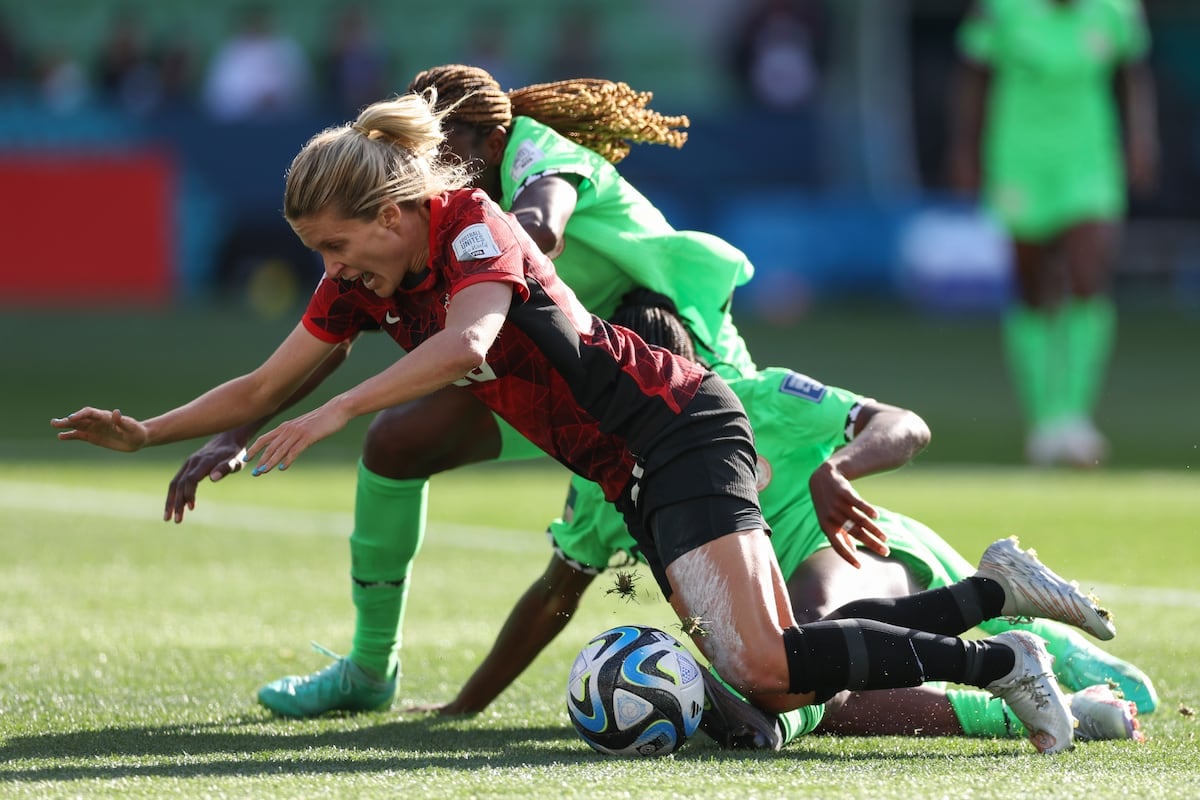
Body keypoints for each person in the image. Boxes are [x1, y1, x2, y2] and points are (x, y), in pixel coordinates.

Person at [54, 91, 1098, 755]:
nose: (332, 274)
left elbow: (468, 345)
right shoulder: (373, 282)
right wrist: (146, 433)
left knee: (766, 670)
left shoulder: (472, 225)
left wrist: (335, 410)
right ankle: (996, 592)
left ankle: (1001, 665)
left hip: (677, 422)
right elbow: (261, 381)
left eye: (336, 248)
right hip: (632, 466)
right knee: (774, 662)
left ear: (389, 215)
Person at [165, 65, 752, 720]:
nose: (423, 167)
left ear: (491, 141)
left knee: (652, 560)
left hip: (670, 368)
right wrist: (236, 429)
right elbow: (316, 355)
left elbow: (541, 226)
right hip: (541, 372)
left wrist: (475, 271)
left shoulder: (530, 160)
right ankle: (370, 667)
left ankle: (759, 675)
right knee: (398, 445)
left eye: (439, 152)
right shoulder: (423, 229)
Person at [407, 292, 1146, 748]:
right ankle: (1013, 627)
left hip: (863, 548)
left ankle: (997, 665)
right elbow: (555, 593)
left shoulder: (760, 397)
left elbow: (903, 424)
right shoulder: (606, 475)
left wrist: (839, 467)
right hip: (822, 619)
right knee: (811, 667)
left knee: (819, 633)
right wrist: (462, 705)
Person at [949, 0, 1159, 467]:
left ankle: (1076, 416)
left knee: (1088, 274)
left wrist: (1141, 138)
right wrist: (966, 149)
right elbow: (974, 77)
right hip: (1019, 154)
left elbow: (1131, 74)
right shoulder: (999, 11)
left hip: (1088, 157)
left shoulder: (1117, 10)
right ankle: (1043, 419)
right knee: (1032, 286)